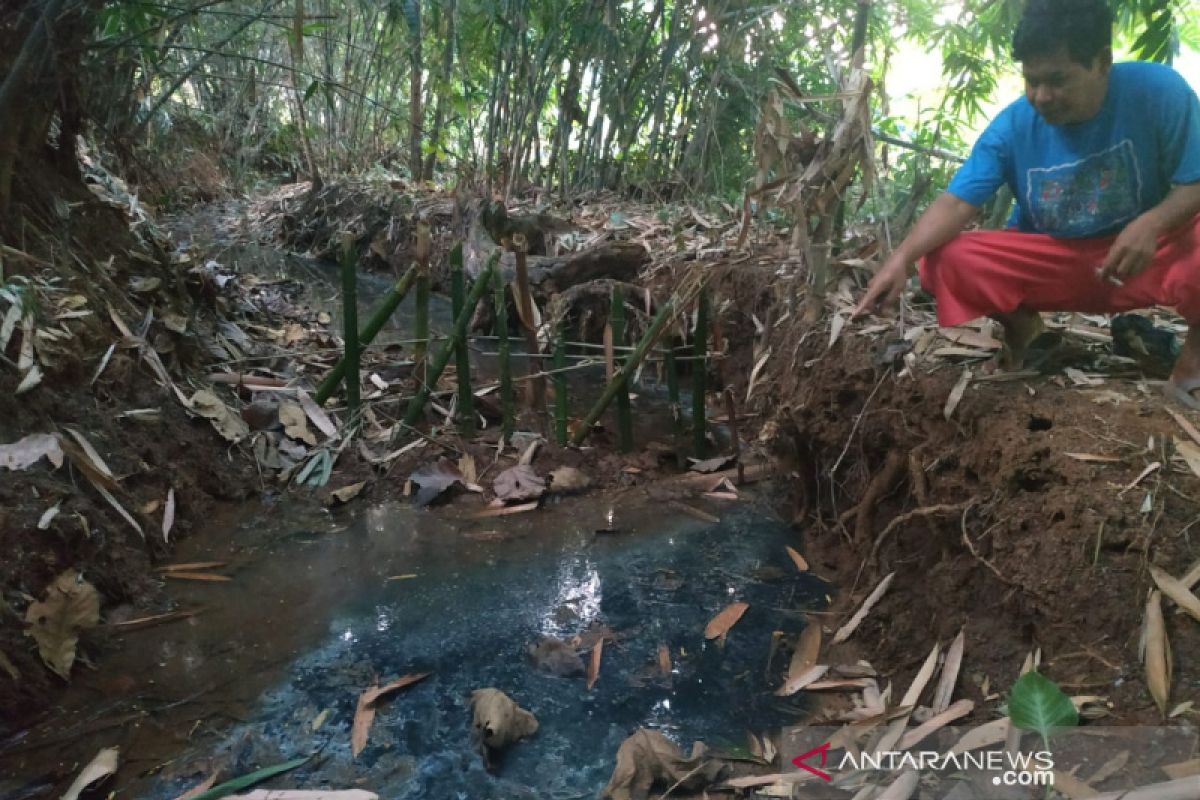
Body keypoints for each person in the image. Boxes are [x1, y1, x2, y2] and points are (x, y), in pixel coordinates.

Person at [853, 0, 1200, 407]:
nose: (1041, 96)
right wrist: (902, 258)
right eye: (1031, 80)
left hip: (1146, 257)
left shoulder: (1159, 91)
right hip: (1054, 264)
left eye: (1057, 80)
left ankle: (1192, 367)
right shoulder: (1012, 125)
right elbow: (955, 204)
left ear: (1102, 62)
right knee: (944, 258)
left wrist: (1154, 223)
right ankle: (1027, 332)